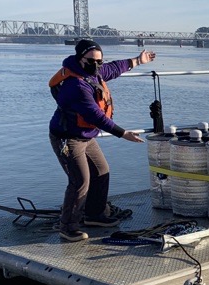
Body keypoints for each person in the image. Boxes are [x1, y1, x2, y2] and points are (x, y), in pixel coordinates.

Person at [48, 39, 155, 242]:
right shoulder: (76, 85)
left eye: (99, 61)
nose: (97, 65)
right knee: (80, 181)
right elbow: (96, 116)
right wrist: (123, 133)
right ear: (80, 59)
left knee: (101, 171)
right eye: (92, 60)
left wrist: (138, 61)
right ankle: (68, 227)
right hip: (68, 138)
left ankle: (94, 215)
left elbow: (115, 68)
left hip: (86, 137)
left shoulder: (93, 72)